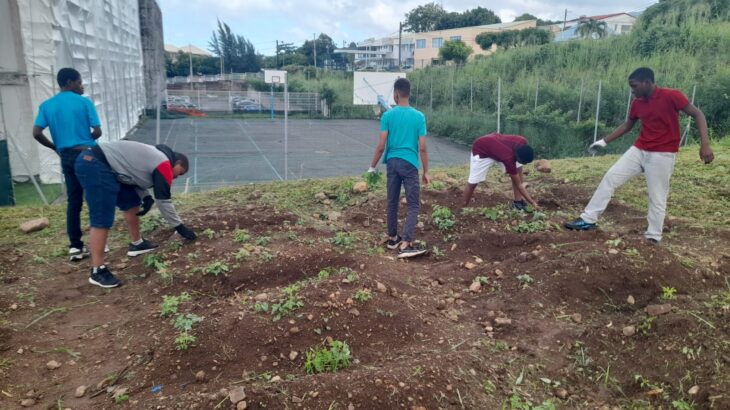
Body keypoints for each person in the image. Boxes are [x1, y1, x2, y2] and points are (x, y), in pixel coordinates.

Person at [565, 67, 714, 243]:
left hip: (662, 154)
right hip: (639, 149)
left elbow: (697, 114)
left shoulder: (672, 96)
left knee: (657, 196)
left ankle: (653, 237)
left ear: (647, 83)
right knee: (610, 177)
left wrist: (705, 144)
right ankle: (588, 219)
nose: (632, 90)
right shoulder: (637, 103)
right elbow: (627, 125)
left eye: (634, 86)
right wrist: (603, 141)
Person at [75, 140, 197, 288]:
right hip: (95, 163)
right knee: (102, 217)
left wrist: (146, 197)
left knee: (132, 202)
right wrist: (179, 226)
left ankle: (137, 244)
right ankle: (97, 271)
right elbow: (163, 200)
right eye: (180, 172)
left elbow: (133, 176)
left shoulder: (155, 156)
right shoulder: (164, 163)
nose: (177, 177)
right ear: (177, 162)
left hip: (107, 166)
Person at [32, 68, 102, 261]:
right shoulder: (84, 102)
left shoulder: (47, 105)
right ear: (70, 82)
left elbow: (36, 133)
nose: (82, 86)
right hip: (87, 154)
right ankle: (99, 241)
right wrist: (86, 138)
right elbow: (97, 132)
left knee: (74, 201)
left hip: (66, 156)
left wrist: (55, 147)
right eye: (79, 82)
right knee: (94, 197)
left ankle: (75, 246)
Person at [368, 78, 430, 258]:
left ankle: (393, 238)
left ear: (395, 94)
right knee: (413, 204)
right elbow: (422, 147)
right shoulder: (419, 116)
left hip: (392, 163)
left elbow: (381, 146)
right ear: (409, 94)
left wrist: (372, 166)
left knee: (392, 201)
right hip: (410, 164)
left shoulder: (388, 116)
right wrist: (426, 171)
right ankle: (406, 243)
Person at [462, 133, 538, 210]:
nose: (524, 164)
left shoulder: (523, 142)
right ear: (516, 156)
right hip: (481, 149)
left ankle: (518, 202)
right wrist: (532, 203)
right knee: (473, 182)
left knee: (518, 168)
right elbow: (519, 185)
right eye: (523, 162)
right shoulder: (508, 158)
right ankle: (463, 208)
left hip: (497, 146)